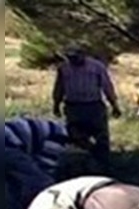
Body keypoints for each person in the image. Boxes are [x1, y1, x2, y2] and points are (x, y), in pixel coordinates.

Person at [51, 45, 121, 173]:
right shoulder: (64, 69)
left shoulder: (96, 67)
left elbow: (107, 86)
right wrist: (56, 104)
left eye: (75, 56)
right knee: (76, 137)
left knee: (101, 138)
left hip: (94, 106)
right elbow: (59, 87)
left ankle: (104, 167)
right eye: (70, 57)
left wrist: (114, 105)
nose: (73, 60)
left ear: (83, 54)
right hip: (73, 107)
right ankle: (85, 164)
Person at [4, 117, 72, 209]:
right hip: (4, 145)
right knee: (41, 186)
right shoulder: (59, 137)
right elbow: (45, 168)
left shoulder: (48, 127)